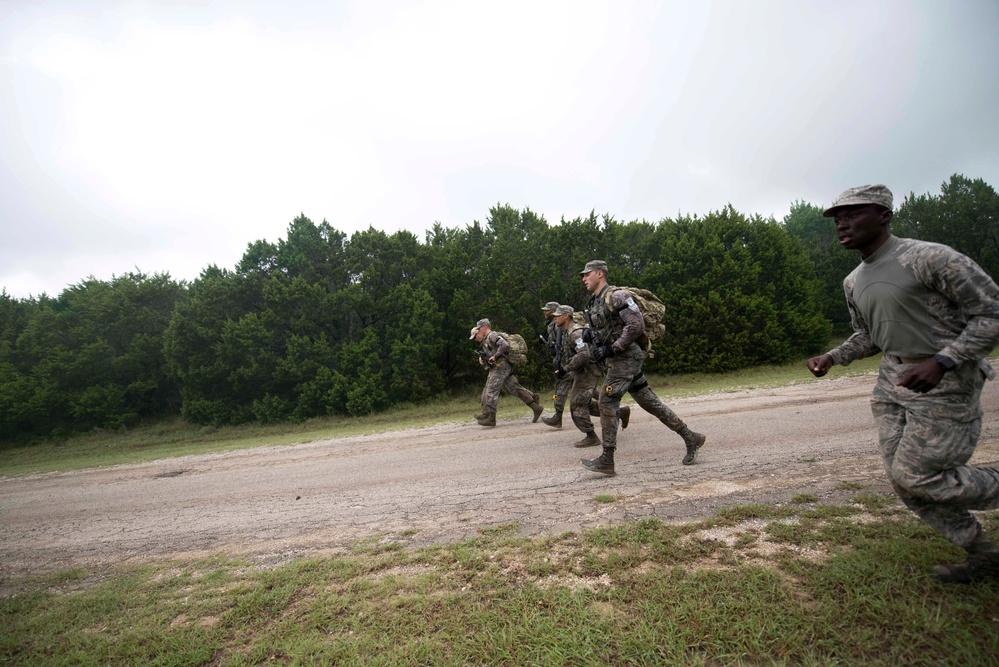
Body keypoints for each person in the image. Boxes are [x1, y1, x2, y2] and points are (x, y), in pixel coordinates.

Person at [806, 184, 999, 584]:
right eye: (838, 218)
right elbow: (869, 335)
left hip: (945, 382)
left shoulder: (930, 258)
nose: (842, 222)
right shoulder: (853, 280)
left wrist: (944, 361)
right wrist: (833, 356)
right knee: (903, 481)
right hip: (893, 384)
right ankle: (985, 555)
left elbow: (991, 313)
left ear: (884, 215)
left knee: (919, 476)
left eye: (854, 213)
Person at [578, 260, 706, 474]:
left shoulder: (617, 296)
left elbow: (636, 325)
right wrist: (590, 334)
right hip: (620, 359)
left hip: (626, 357)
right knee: (649, 401)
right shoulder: (595, 301)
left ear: (600, 273)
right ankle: (691, 437)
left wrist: (613, 348)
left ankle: (607, 459)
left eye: (587, 274)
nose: (583, 279)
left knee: (606, 400)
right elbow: (609, 327)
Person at [553, 304, 629, 447]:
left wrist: (566, 369)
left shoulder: (575, 332)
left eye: (558, 315)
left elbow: (584, 354)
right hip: (583, 372)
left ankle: (591, 436)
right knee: (585, 404)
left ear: (566, 316)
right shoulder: (567, 332)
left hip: (588, 372)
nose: (555, 318)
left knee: (577, 405)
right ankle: (619, 413)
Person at [470, 318, 544, 427]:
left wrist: (495, 357)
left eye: (479, 328)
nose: (478, 330)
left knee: (491, 389)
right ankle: (535, 405)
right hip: (499, 367)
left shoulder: (492, 335)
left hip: (501, 366)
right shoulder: (487, 339)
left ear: (484, 327)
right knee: (512, 388)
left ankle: (491, 417)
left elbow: (505, 345)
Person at [540, 301, 573, 428]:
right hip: (564, 362)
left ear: (554, 310)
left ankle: (557, 417)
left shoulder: (563, 325)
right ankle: (557, 417)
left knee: (563, 389)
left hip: (569, 362)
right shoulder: (552, 325)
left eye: (547, 310)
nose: (545, 312)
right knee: (587, 392)